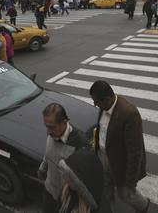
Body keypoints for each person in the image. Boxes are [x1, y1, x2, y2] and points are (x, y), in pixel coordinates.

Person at [90, 80, 150, 213]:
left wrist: (130, 181)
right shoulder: (103, 107)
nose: (95, 104)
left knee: (126, 195)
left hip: (120, 166)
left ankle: (143, 206)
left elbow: (135, 150)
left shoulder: (129, 113)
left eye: (96, 101)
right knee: (106, 195)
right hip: (103, 159)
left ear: (107, 99)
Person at [37, 103, 89, 213]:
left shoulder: (80, 142)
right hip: (49, 191)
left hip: (68, 199)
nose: (48, 132)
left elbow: (85, 177)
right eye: (46, 126)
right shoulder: (52, 134)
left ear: (64, 123)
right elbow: (48, 154)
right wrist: (43, 168)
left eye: (51, 127)